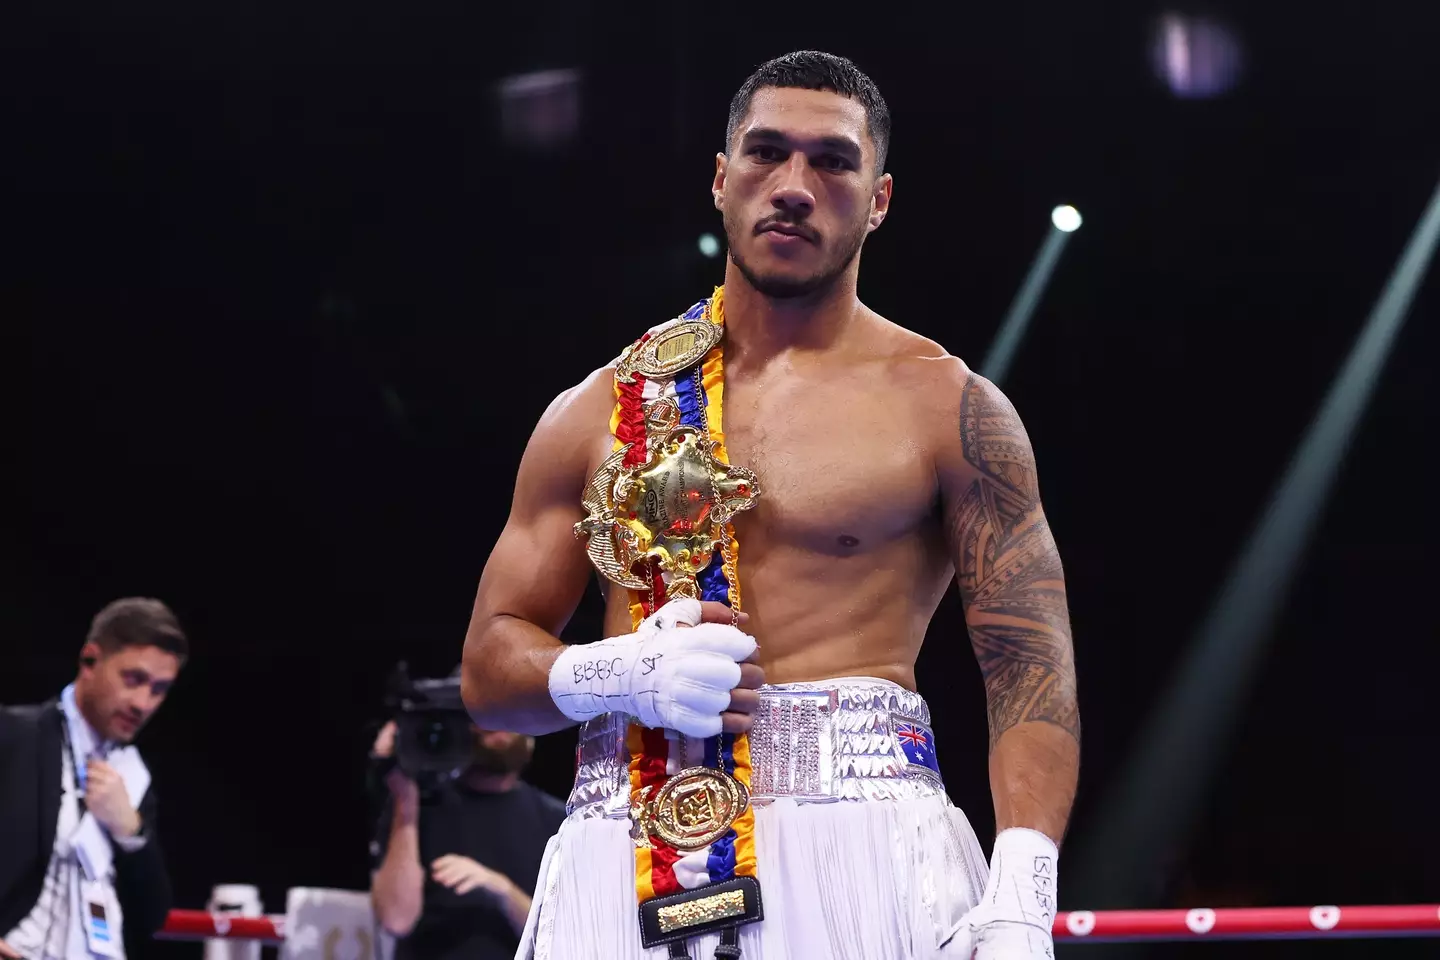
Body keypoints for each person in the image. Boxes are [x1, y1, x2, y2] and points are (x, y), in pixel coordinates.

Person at [461, 50, 1079, 960]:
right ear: (721, 179)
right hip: (626, 849)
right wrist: (617, 673)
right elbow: (488, 673)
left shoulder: (947, 406)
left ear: (879, 200)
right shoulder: (599, 411)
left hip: (865, 845)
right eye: (765, 153)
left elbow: (1031, 662)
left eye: (832, 161)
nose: (794, 185)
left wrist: (1025, 895)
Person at [0, 598, 185, 960]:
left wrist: (130, 832)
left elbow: (152, 915)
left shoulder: (133, 776)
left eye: (159, 690)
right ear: (90, 660)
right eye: (134, 680)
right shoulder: (15, 736)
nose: (143, 703)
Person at [369, 714, 566, 960]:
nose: (498, 724)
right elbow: (396, 919)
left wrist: (502, 891)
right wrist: (405, 798)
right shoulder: (417, 807)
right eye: (485, 713)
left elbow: (563, 942)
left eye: (507, 712)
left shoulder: (558, 822)